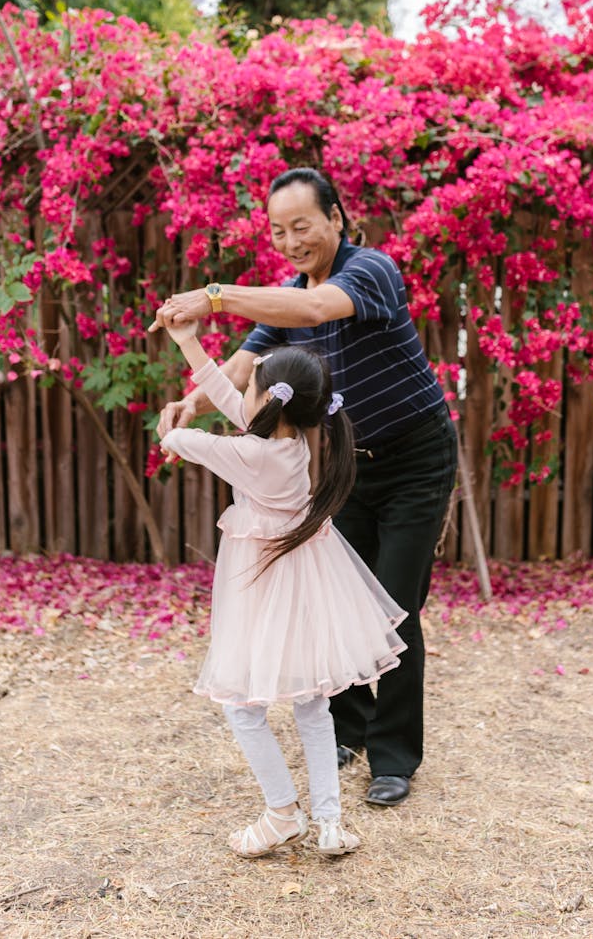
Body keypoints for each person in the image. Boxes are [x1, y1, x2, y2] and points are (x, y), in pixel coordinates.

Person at [153, 166, 457, 807]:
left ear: (336, 218)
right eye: (278, 231)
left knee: (393, 606)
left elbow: (315, 308)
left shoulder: (370, 272)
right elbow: (241, 367)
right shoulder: (288, 296)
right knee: (331, 600)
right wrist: (188, 404)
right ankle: (345, 732)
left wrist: (212, 294)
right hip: (341, 469)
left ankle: (394, 755)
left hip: (414, 460)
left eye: (302, 226)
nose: (291, 241)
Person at [158, 318, 407, 858]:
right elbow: (234, 402)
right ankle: (330, 822)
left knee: (243, 706)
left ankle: (280, 813)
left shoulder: (253, 455)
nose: (241, 394)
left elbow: (180, 439)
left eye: (250, 387)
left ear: (270, 399)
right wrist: (188, 343)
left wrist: (172, 423)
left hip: (265, 589)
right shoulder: (291, 443)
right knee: (312, 706)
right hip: (304, 582)